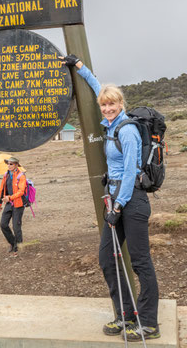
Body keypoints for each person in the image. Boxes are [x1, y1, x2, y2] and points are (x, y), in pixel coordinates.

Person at [61, 54, 160, 342]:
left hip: (132, 202)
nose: (106, 108)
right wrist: (78, 66)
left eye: (111, 104)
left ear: (121, 104)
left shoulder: (127, 130)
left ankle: (149, 323)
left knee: (140, 262)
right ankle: (125, 314)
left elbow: (130, 172)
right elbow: (96, 87)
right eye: (104, 105)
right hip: (116, 199)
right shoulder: (111, 124)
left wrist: (118, 205)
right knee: (108, 259)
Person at [0, 157, 27, 256]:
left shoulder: (21, 176)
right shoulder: (6, 175)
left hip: (18, 204)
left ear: (16, 165)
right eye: (8, 164)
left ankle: (18, 248)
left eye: (11, 164)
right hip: (9, 203)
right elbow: (2, 189)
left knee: (16, 226)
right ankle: (13, 243)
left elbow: (21, 191)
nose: (9, 166)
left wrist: (9, 198)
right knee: (3, 224)